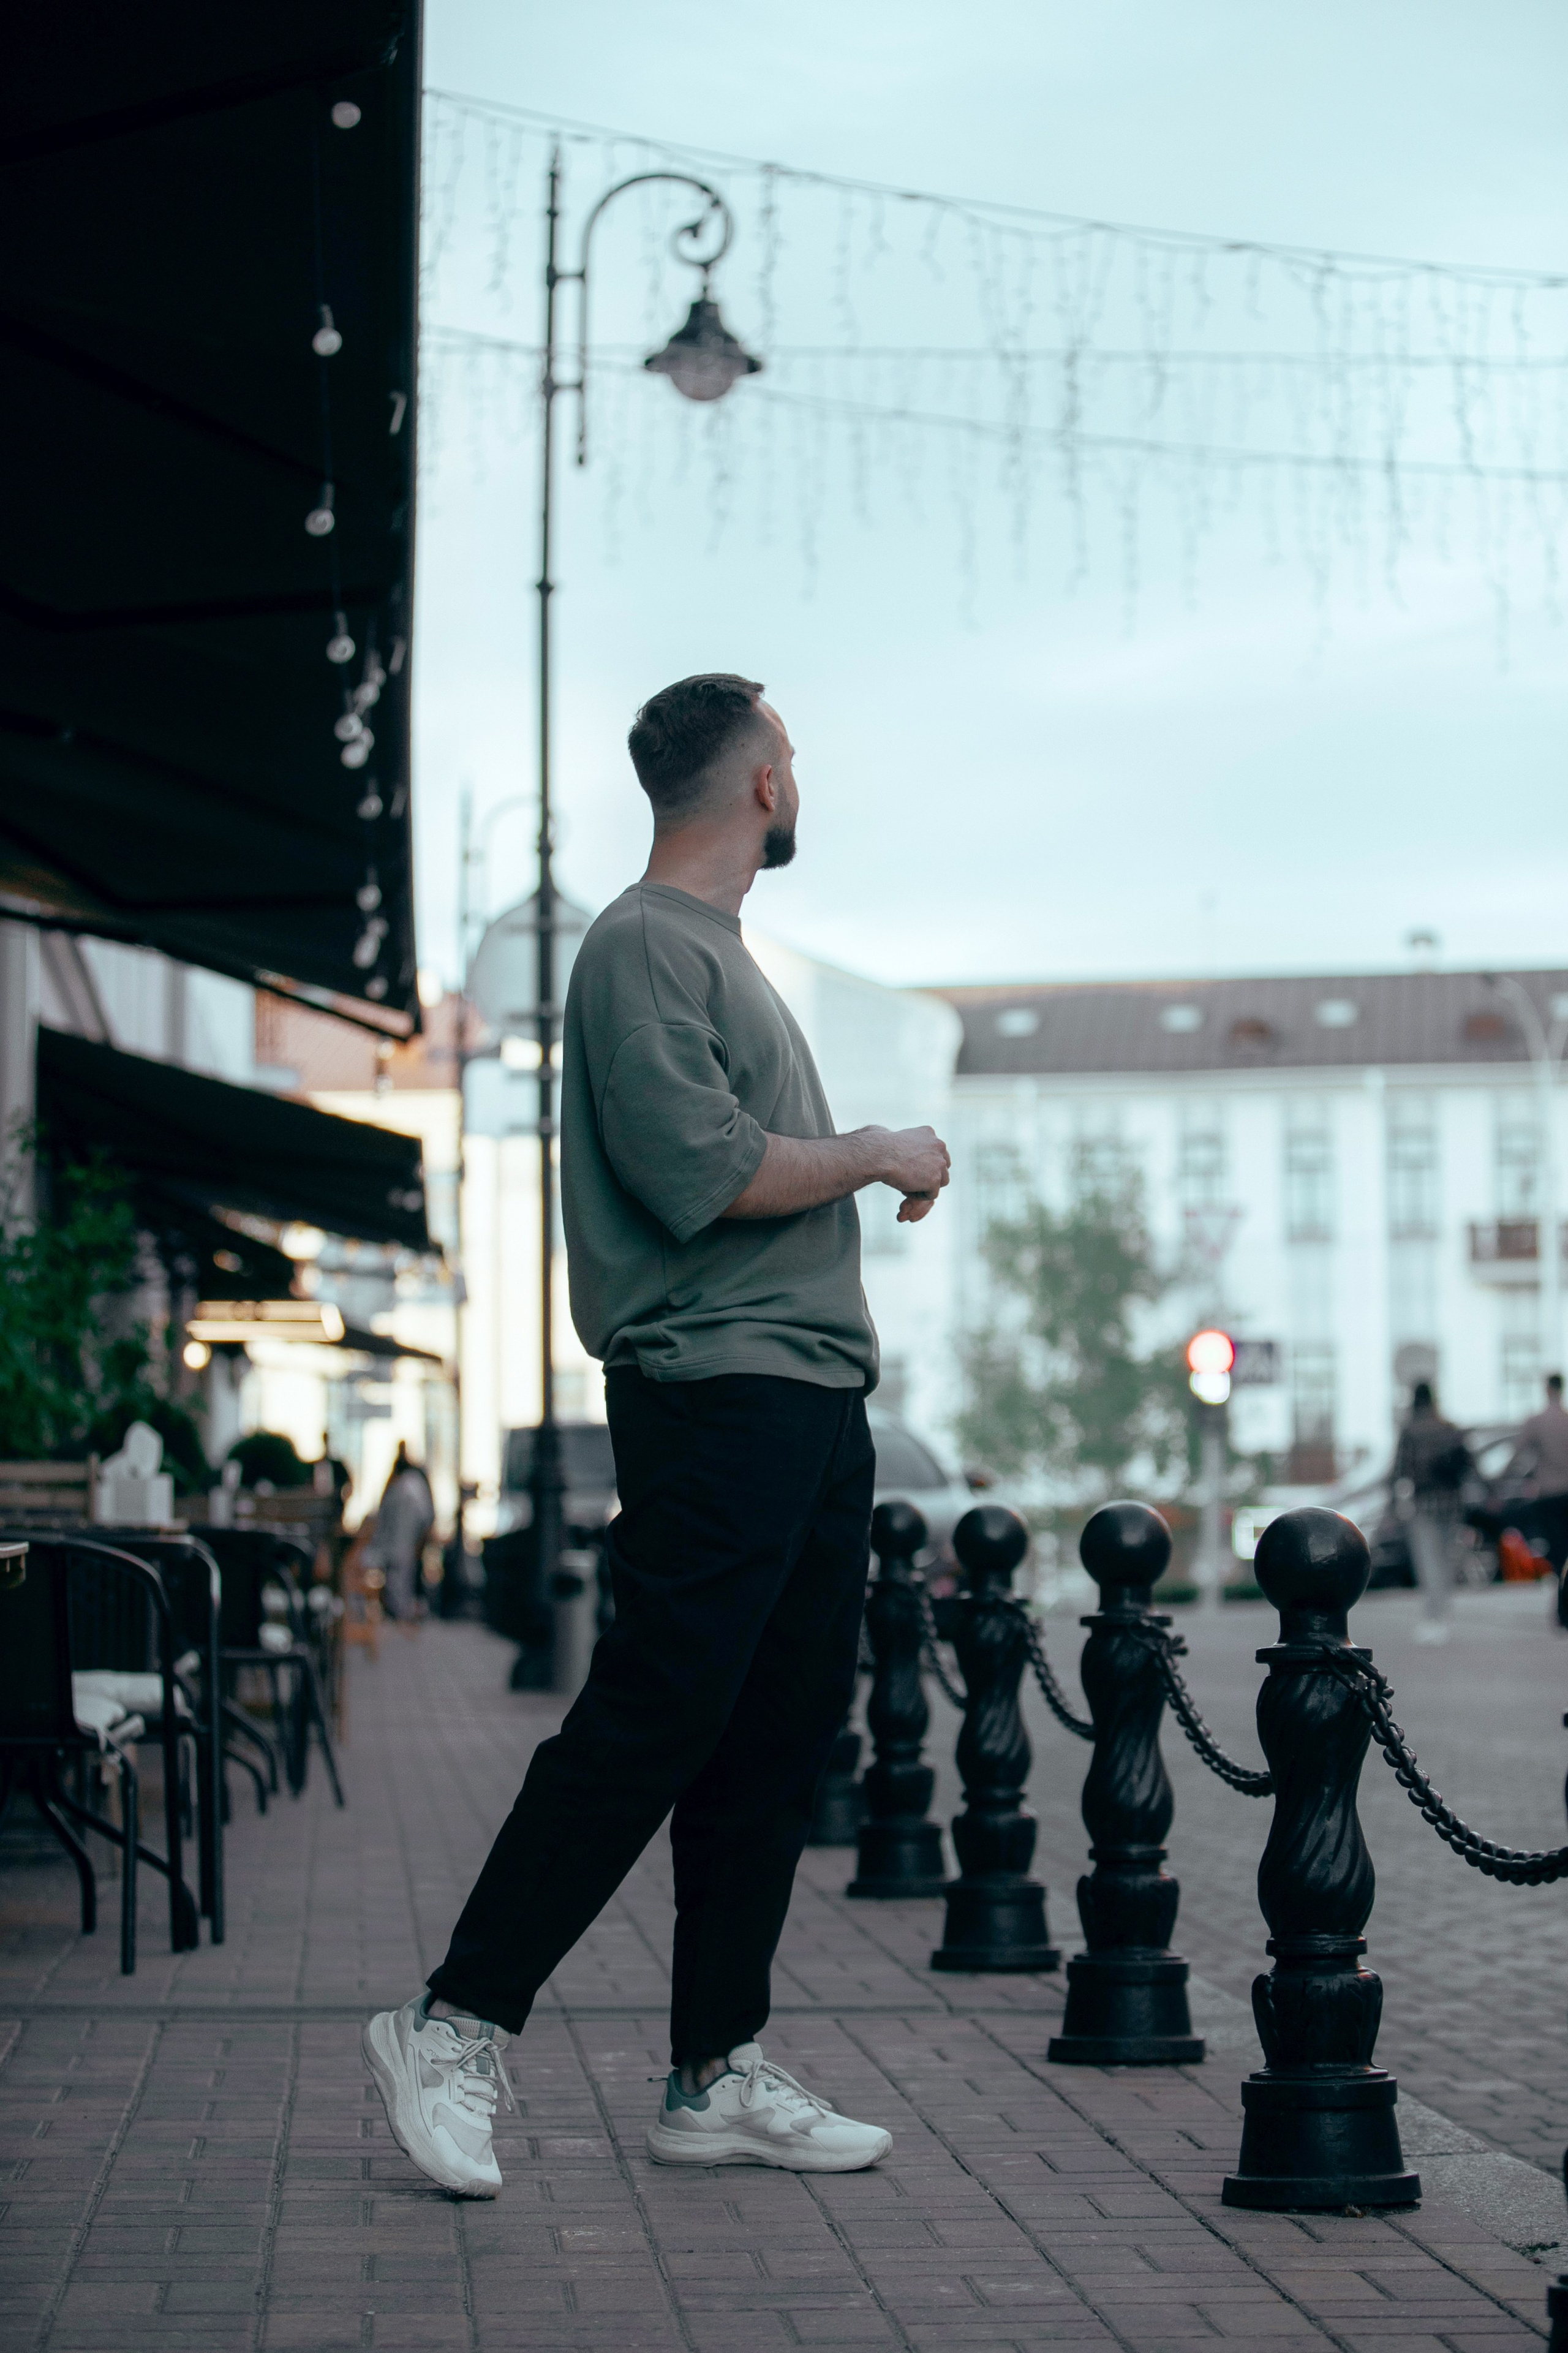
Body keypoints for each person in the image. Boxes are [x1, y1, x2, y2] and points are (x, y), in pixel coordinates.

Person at [363, 674, 950, 2195]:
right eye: (793, 755)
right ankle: (451, 2021)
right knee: (653, 1711)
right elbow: (697, 1170)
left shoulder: (719, 957)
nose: (799, 776)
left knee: (771, 1734)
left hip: (810, 1396)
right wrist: (875, 1148)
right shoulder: (636, 945)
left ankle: (713, 2068)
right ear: (758, 781)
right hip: (719, 1385)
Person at [1392, 1381, 1472, 1643]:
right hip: (1452, 1504)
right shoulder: (1449, 1429)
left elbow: (1399, 1471)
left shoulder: (1410, 1431)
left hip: (1424, 1504)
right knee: (1448, 1559)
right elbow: (1469, 1465)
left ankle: (1433, 1616)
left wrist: (1393, 1506)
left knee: (1429, 1561)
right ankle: (1443, 1612)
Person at [1504, 1372, 1568, 1608]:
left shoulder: (1537, 1422)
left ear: (1547, 1389)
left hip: (1550, 1493)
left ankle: (1563, 1604)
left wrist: (1499, 1480)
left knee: (1557, 1549)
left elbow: (1516, 1455)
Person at [363, 1444, 434, 1624]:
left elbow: (382, 1514)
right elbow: (426, 1516)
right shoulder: (413, 1485)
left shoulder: (403, 1486)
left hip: (400, 1542)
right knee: (401, 1578)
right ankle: (401, 1613)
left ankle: (402, 1613)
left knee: (400, 1579)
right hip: (404, 1542)